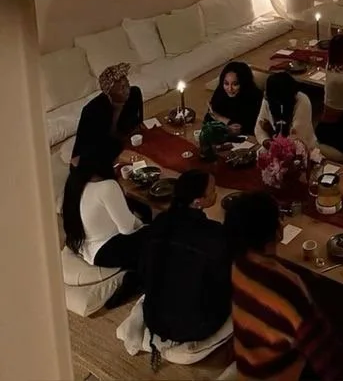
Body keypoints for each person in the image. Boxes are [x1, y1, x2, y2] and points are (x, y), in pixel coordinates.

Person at [227, 191, 343, 381]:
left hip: (251, 368)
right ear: (277, 230)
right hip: (281, 373)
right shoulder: (285, 286)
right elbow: (329, 361)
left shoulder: (239, 264)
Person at [140, 171, 231, 355]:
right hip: (196, 325)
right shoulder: (212, 233)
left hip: (154, 317)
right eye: (213, 190)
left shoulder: (161, 222)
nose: (216, 193)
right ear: (198, 201)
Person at [62, 139, 151, 308]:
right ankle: (135, 281)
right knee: (160, 235)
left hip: (83, 246)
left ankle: (136, 273)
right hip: (106, 251)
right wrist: (144, 226)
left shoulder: (74, 181)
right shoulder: (107, 186)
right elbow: (127, 229)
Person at [71, 62, 144, 164]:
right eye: (121, 88)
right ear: (109, 93)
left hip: (127, 143)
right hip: (102, 149)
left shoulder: (134, 93)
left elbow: (138, 123)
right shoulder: (91, 111)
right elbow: (77, 157)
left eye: (127, 83)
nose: (127, 89)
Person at [254, 71, 319, 155]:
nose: (265, 95)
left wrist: (275, 144)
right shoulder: (268, 99)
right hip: (274, 146)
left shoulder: (302, 100)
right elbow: (259, 128)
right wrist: (266, 141)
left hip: (301, 149)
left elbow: (297, 136)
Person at [206, 61, 262, 136]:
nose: (229, 89)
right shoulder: (221, 92)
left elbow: (248, 128)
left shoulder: (255, 97)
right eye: (226, 83)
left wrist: (221, 119)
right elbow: (209, 118)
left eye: (235, 84)